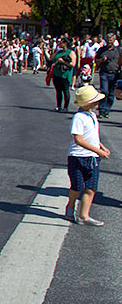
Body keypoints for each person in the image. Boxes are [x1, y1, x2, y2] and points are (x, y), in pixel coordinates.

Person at [64, 85, 111, 226]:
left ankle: (84, 215)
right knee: (77, 186)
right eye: (95, 101)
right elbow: (78, 139)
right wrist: (98, 151)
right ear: (88, 103)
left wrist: (101, 147)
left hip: (93, 158)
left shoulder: (92, 116)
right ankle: (70, 206)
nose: (97, 104)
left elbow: (93, 136)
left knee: (91, 187)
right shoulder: (79, 117)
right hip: (78, 157)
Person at [94, 34, 119, 118]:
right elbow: (96, 60)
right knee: (104, 91)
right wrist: (101, 60)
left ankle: (107, 110)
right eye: (108, 39)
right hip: (104, 73)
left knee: (111, 94)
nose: (109, 41)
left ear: (114, 40)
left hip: (114, 73)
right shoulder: (102, 50)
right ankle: (101, 110)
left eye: (111, 40)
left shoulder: (118, 50)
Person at [51, 39, 76, 112]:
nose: (59, 44)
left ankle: (66, 107)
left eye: (61, 43)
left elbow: (73, 64)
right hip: (56, 73)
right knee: (58, 90)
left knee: (65, 90)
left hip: (65, 74)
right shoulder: (59, 51)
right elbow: (52, 58)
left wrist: (63, 61)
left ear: (65, 43)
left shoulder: (71, 52)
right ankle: (58, 106)